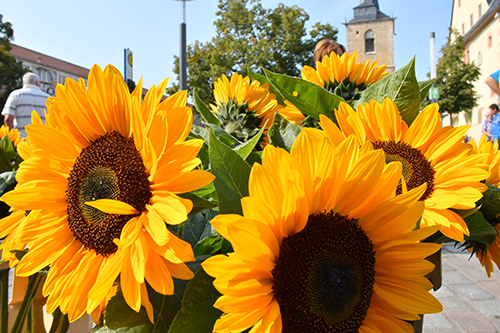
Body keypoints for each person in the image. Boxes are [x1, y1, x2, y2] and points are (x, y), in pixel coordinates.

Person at [2, 72, 49, 138]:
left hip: (21, 140)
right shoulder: (48, 98)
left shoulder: (15, 95)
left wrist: (11, 138)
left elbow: (8, 118)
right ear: (37, 83)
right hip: (42, 141)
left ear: (23, 83)